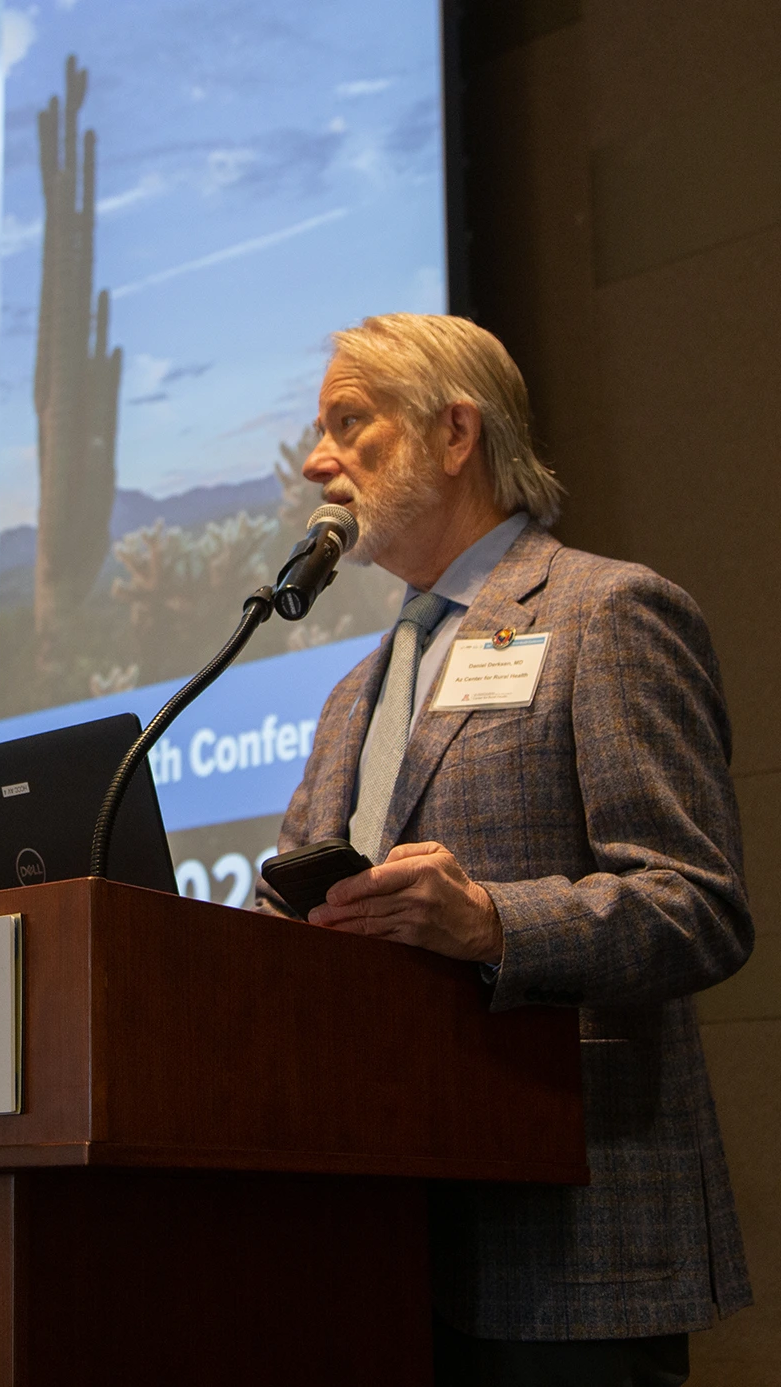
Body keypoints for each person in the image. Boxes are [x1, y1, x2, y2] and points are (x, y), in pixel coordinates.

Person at [258, 313, 753, 1386]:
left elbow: (696, 905)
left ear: (452, 434)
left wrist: (487, 921)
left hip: (569, 1236)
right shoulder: (353, 691)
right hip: (383, 1237)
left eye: (351, 423)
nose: (314, 459)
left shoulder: (602, 612)